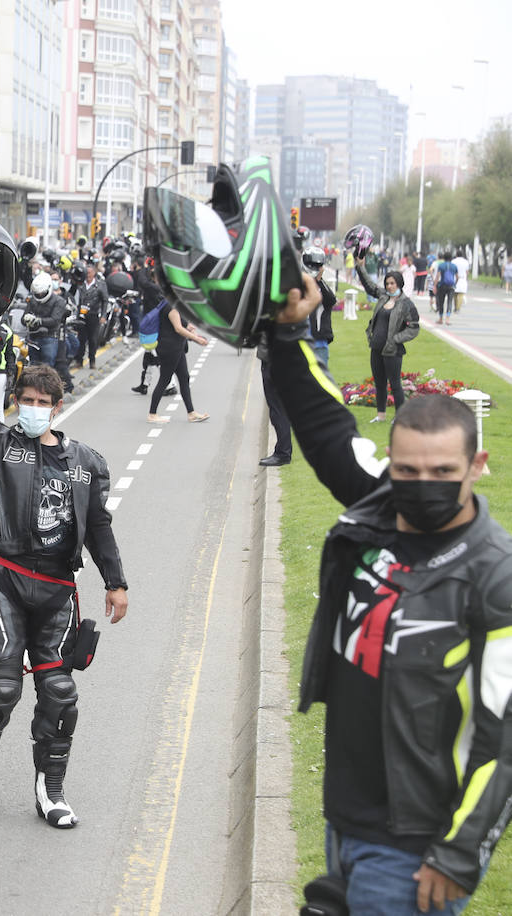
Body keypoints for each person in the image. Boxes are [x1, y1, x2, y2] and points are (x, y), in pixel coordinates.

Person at [271, 273, 512, 916]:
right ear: (391, 464)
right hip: (344, 817)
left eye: (443, 473)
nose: (422, 485)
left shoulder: (496, 577)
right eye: (407, 471)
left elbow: (504, 735)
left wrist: (461, 852)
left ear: (476, 466)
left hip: (413, 845)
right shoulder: (383, 508)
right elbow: (325, 428)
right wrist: (288, 329)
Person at [0, 325, 128, 830]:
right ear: (14, 401)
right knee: (2, 688)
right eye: (25, 399)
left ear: (57, 406)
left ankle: (51, 789)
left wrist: (116, 581)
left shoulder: (86, 464)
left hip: (58, 589)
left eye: (42, 401)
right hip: (0, 577)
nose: (32, 407)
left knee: (61, 693)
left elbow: (97, 525)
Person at [358, 269, 421, 423]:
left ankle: (399, 417)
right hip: (376, 347)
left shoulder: (406, 304)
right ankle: (381, 416)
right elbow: (370, 286)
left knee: (395, 384)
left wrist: (396, 338)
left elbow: (414, 327)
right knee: (379, 383)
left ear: (399, 284)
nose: (389, 286)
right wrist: (360, 267)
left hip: (392, 350)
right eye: (387, 283)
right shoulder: (383, 297)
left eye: (392, 283)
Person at [147, 298, 209, 424]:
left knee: (184, 377)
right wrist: (196, 339)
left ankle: (191, 413)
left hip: (177, 347)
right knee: (165, 379)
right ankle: (152, 414)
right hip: (170, 348)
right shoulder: (171, 306)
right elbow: (178, 328)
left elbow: (181, 323)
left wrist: (190, 327)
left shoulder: (170, 304)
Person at [433, 252, 458, 325]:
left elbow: (438, 277)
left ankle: (440, 319)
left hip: (442, 285)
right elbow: (457, 277)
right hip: (451, 286)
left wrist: (435, 285)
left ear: (444, 258)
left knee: (441, 302)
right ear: (451, 258)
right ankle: (447, 319)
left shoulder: (441, 265)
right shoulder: (454, 266)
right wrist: (454, 284)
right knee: (450, 302)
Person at [451, 250, 470, 314]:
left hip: (454, 278)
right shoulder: (466, 262)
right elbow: (467, 272)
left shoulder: (453, 261)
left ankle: (456, 307)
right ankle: (458, 308)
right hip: (462, 278)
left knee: (455, 294)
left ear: (456, 254)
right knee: (461, 294)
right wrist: (466, 278)